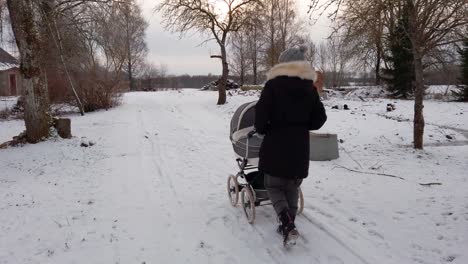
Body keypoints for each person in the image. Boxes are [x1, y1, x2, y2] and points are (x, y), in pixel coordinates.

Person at [254, 46, 327, 245]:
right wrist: (303, 125)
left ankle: (286, 221)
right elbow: (319, 120)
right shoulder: (310, 89)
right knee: (292, 185)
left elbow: (260, 118)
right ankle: (290, 223)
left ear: (283, 63)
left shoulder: (273, 85)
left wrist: (264, 128)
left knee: (273, 185)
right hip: (299, 148)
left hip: (275, 146)